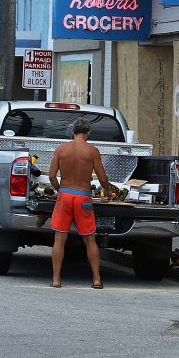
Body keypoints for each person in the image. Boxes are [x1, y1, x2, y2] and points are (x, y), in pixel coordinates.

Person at [48, 117, 112, 288]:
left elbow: (52, 176)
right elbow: (102, 177)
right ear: (88, 133)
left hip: (65, 195)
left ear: (72, 132)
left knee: (60, 238)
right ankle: (97, 279)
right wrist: (108, 191)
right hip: (83, 197)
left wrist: (59, 189)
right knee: (90, 239)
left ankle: (56, 279)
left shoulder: (61, 149)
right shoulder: (92, 151)